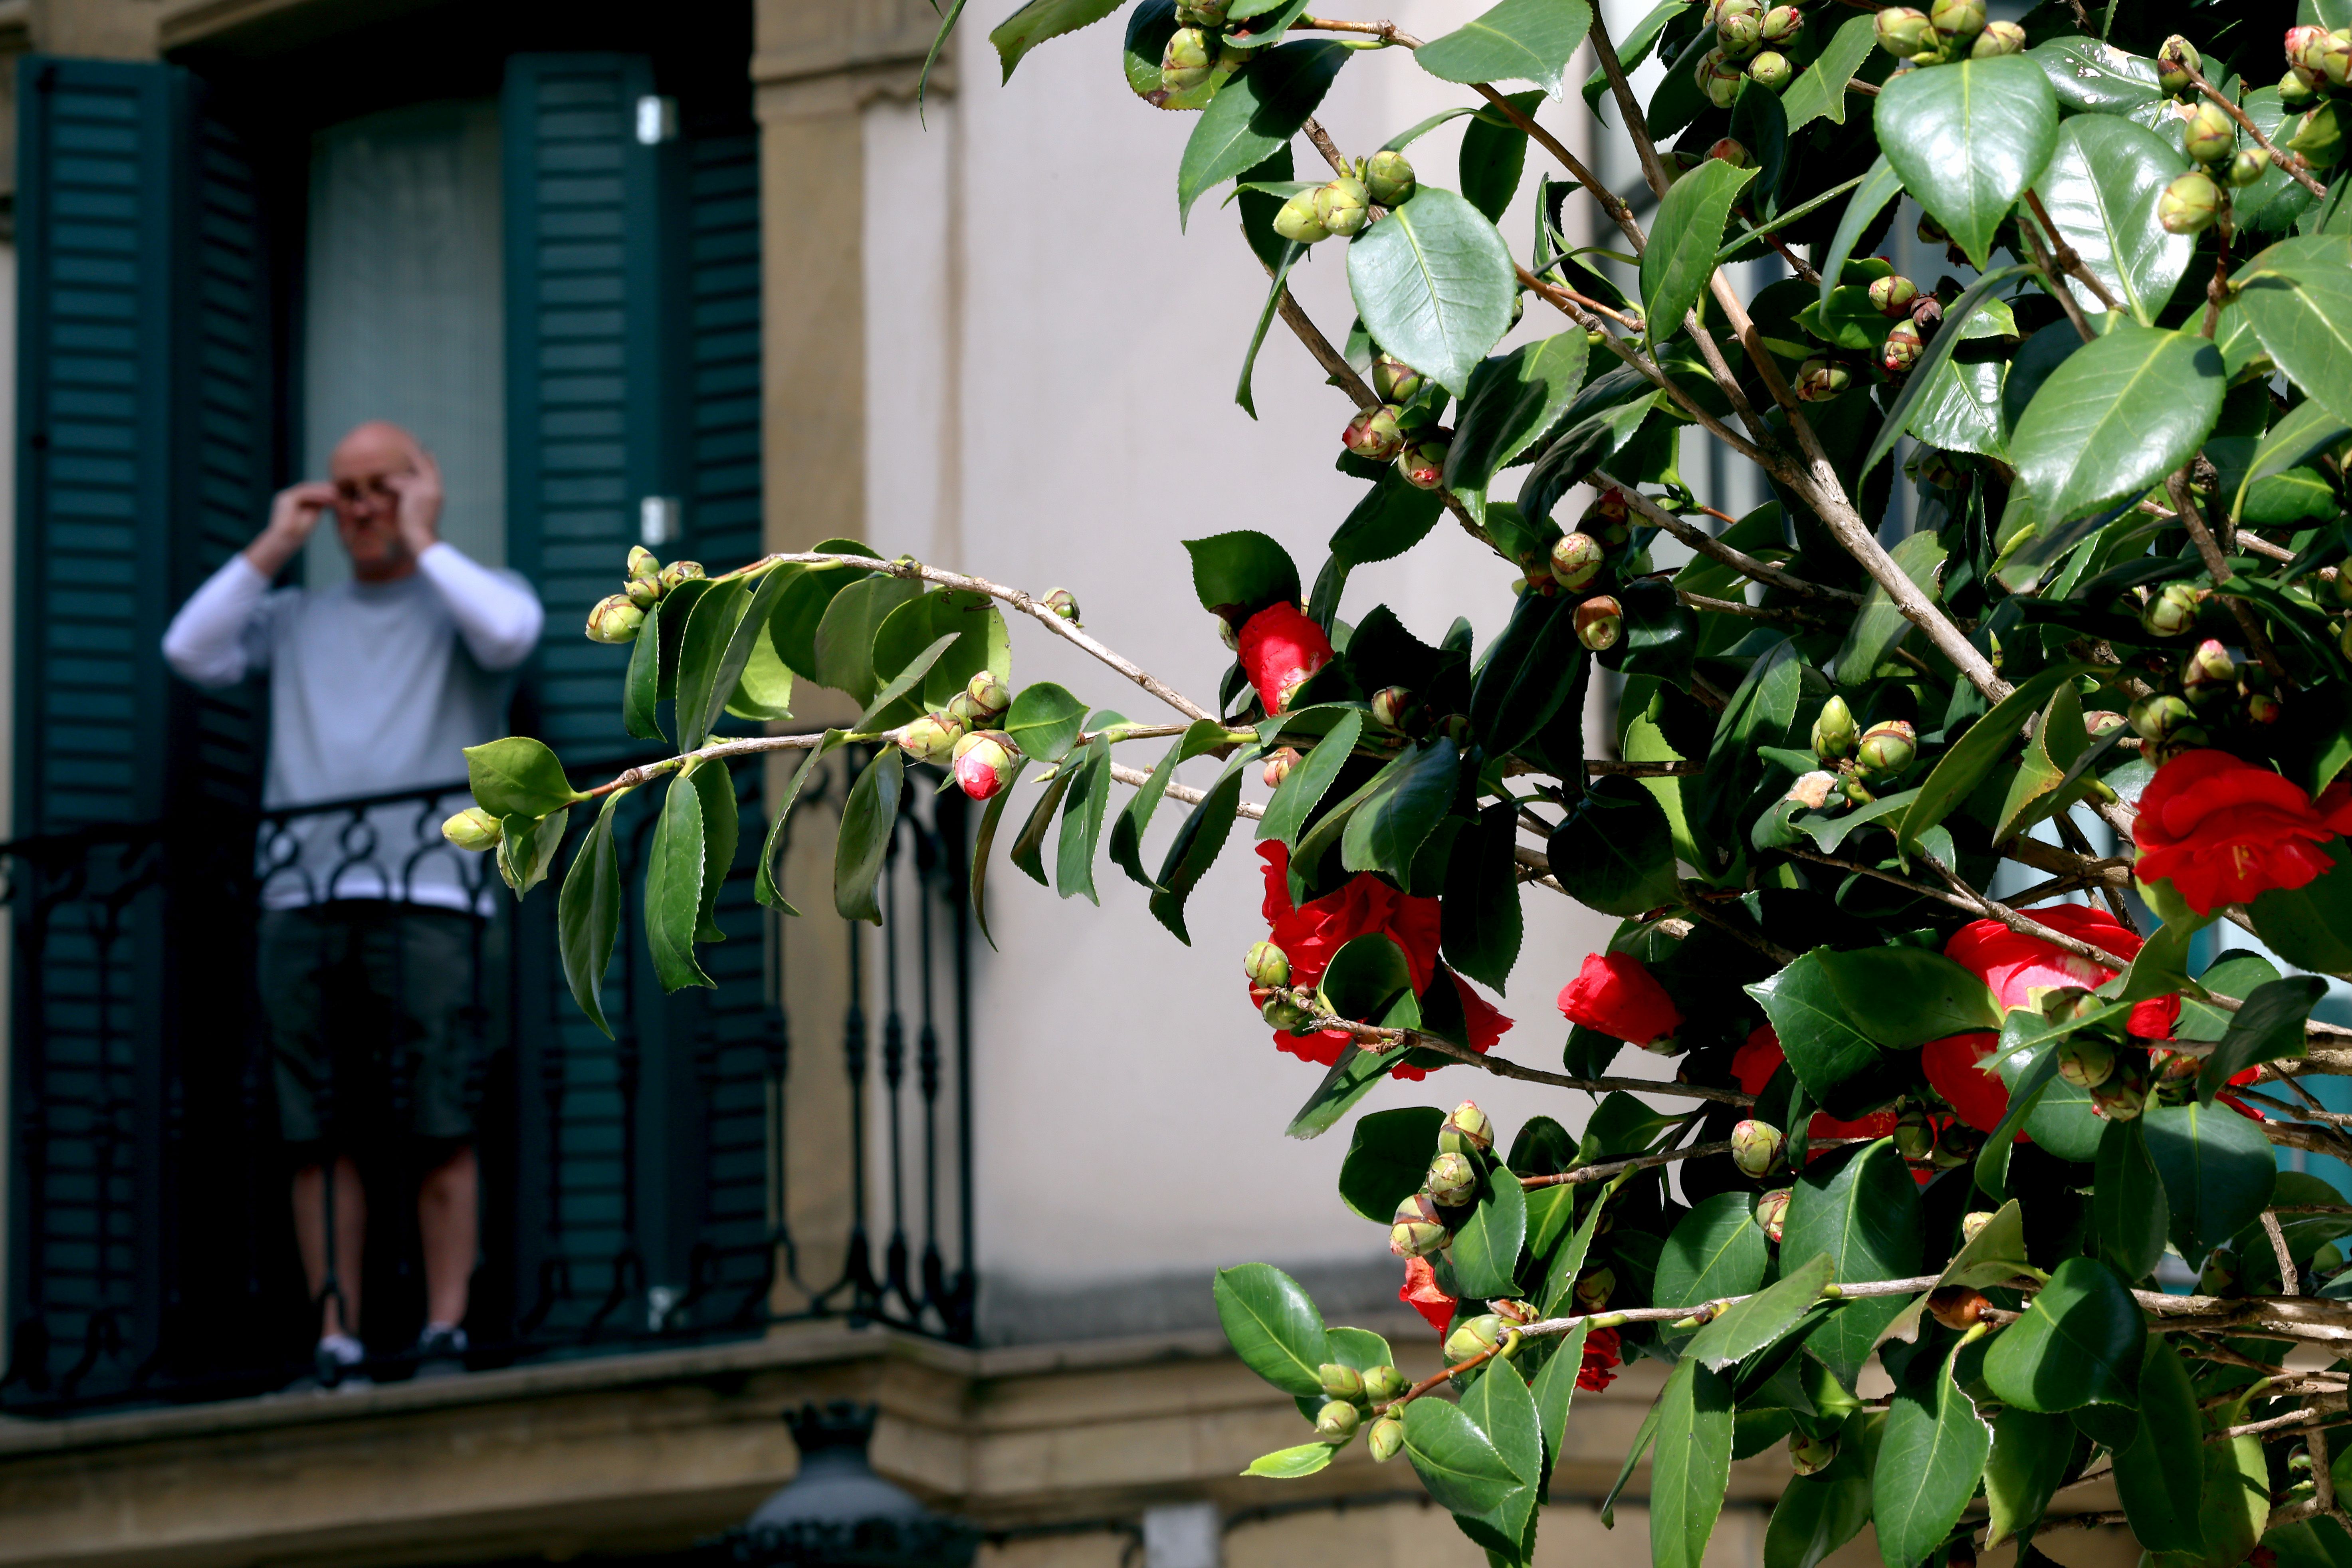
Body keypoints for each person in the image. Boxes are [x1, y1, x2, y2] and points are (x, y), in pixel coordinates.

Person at [162, 420, 544, 1388]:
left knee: (440, 1116)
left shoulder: (467, 600)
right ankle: (337, 1337)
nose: (365, 507)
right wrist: (277, 539)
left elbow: (510, 634)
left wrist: (425, 537)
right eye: (348, 491)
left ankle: (448, 1328)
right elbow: (189, 647)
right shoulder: (297, 617)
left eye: (386, 486)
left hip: (431, 895)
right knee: (315, 1125)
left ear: (423, 488)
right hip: (302, 897)